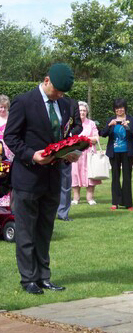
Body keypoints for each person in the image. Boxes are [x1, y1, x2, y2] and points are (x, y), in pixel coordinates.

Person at [4, 63, 78, 294]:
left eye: (63, 93)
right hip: (27, 178)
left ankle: (44, 277)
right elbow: (11, 137)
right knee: (26, 231)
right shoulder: (24, 102)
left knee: (45, 230)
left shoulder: (65, 104)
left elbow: (66, 135)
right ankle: (28, 280)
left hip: (52, 177)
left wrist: (71, 151)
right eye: (57, 90)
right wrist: (32, 155)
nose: (60, 95)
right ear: (46, 80)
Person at [100, 98, 133, 210]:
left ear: (125, 108)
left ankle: (128, 203)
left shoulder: (131, 119)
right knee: (115, 177)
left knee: (127, 177)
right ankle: (115, 202)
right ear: (114, 110)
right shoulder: (111, 119)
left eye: (121, 108)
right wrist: (109, 125)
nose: (119, 110)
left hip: (128, 152)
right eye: (117, 108)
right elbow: (103, 134)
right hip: (114, 152)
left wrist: (127, 127)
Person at [57, 97, 82, 221]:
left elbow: (79, 125)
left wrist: (70, 134)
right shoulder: (46, 102)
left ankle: (62, 214)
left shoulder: (72, 102)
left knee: (65, 182)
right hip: (48, 146)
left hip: (66, 147)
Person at [71, 101, 100, 205]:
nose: (82, 112)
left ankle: (90, 198)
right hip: (75, 153)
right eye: (80, 110)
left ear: (87, 111)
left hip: (89, 153)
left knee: (90, 175)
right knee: (74, 174)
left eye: (84, 110)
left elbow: (96, 138)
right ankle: (75, 198)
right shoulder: (73, 123)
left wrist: (84, 139)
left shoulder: (91, 123)